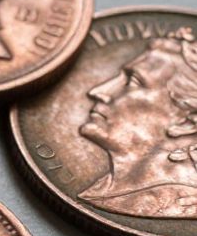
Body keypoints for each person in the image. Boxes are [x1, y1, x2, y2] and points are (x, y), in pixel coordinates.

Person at [78, 26, 197, 218]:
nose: (99, 91)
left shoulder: (172, 203)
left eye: (133, 81)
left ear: (186, 123)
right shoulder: (105, 189)